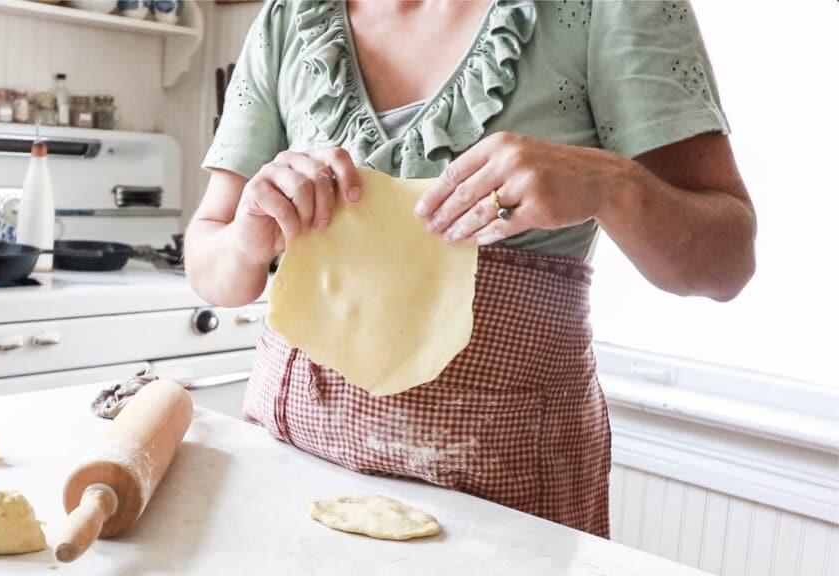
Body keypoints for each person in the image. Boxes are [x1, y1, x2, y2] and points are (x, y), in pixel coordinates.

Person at [185, 0, 756, 538]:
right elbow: (211, 262)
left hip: (507, 507)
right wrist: (245, 238)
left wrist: (611, 183)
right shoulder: (291, 17)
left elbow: (727, 263)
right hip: (289, 479)